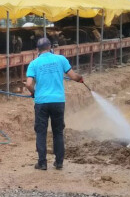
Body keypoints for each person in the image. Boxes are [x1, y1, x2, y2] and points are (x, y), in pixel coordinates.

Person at [25, 37, 84, 170]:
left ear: (37, 50)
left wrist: (33, 92)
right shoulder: (61, 59)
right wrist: (80, 79)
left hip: (41, 102)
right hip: (58, 101)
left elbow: (28, 84)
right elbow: (74, 76)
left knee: (41, 132)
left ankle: (42, 163)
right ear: (51, 47)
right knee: (58, 132)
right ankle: (59, 162)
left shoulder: (34, 63)